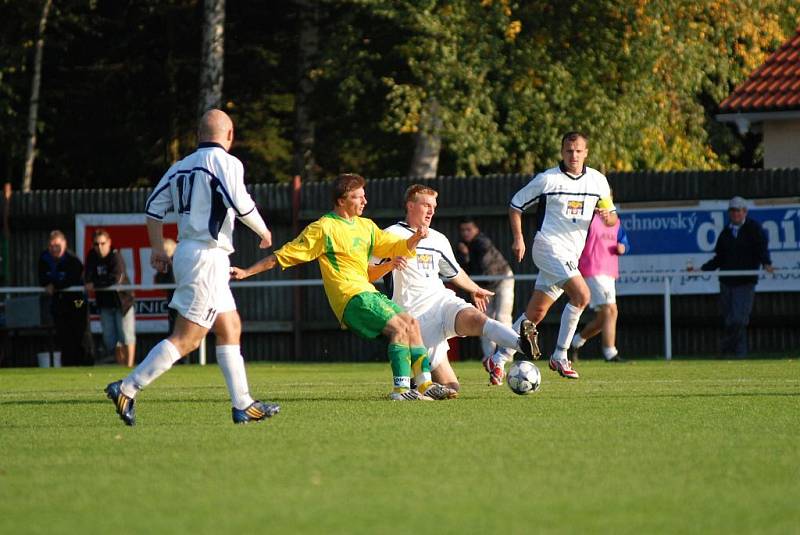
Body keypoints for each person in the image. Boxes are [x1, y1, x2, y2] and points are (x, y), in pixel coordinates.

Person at [104, 109, 280, 426]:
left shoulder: (180, 166)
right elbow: (240, 203)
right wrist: (263, 231)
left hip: (192, 253)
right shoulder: (226, 162)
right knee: (188, 338)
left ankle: (243, 404)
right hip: (207, 258)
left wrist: (158, 249)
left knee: (230, 327)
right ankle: (127, 387)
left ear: (199, 135)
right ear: (229, 136)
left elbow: (153, 209)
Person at [230, 173, 458, 401]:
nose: (364, 201)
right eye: (358, 197)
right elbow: (282, 256)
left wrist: (415, 238)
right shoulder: (324, 228)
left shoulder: (366, 226)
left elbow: (394, 247)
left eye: (364, 196)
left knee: (412, 324)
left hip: (368, 292)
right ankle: (400, 391)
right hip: (350, 297)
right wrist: (246, 272)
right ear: (341, 200)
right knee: (400, 328)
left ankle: (424, 385)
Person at [368, 185, 537, 390]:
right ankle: (415, 385)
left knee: (478, 318)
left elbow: (454, 272)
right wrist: (389, 264)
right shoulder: (390, 235)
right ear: (410, 206)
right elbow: (367, 271)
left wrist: (473, 288)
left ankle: (522, 344)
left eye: (434, 206)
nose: (431, 210)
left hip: (443, 302)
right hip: (416, 319)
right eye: (426, 205)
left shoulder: (437, 239)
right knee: (451, 389)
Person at [489, 131, 617, 382]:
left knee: (535, 313)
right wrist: (519, 238)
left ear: (586, 152)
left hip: (570, 255)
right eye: (569, 151)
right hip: (546, 247)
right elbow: (515, 205)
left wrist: (606, 218)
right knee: (582, 296)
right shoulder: (547, 180)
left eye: (579, 151)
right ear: (562, 152)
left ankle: (499, 357)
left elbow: (611, 217)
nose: (574, 155)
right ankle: (560, 354)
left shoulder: (597, 181)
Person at [690, 196, 773, 357]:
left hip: (745, 282)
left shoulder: (754, 229)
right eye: (732, 211)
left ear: (745, 212)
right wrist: (701, 269)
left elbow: (761, 249)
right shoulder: (725, 233)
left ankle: (723, 349)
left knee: (738, 320)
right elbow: (719, 259)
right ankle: (739, 356)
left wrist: (766, 263)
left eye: (738, 211)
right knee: (730, 321)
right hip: (727, 282)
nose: (735, 214)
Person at [568, 201, 630, 363]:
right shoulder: (588, 218)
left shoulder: (615, 220)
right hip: (592, 268)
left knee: (604, 318)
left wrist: (622, 246)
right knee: (611, 310)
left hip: (610, 271)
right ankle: (610, 352)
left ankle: (575, 342)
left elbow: (623, 239)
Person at [455, 217, 515, 363]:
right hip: (483, 286)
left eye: (469, 229)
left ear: (476, 230)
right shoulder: (463, 247)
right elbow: (466, 271)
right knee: (485, 320)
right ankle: (489, 356)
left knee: (502, 317)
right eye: (463, 230)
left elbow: (482, 268)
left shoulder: (482, 242)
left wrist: (467, 254)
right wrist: (465, 255)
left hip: (502, 280)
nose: (466, 233)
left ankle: (507, 354)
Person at [38, 230, 94, 366]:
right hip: (59, 302)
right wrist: (47, 284)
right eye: (51, 246)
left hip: (77, 300)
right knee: (63, 335)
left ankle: (87, 363)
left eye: (57, 245)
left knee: (81, 333)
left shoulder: (73, 260)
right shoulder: (44, 258)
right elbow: (42, 278)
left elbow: (70, 280)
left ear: (64, 244)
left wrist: (54, 285)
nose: (54, 249)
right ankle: (68, 365)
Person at [85, 228, 136, 367]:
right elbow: (87, 277)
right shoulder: (92, 256)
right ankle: (121, 367)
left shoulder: (115, 257)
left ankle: (129, 367)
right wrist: (96, 282)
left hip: (122, 303)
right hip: (105, 303)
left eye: (102, 243)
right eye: (96, 244)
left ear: (109, 243)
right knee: (111, 340)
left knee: (126, 337)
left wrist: (96, 283)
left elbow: (116, 279)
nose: (99, 247)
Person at [154, 238, 178, 336]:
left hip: (180, 303)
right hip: (172, 302)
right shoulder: (166, 266)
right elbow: (160, 284)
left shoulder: (175, 262)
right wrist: (161, 271)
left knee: (177, 333)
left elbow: (173, 281)